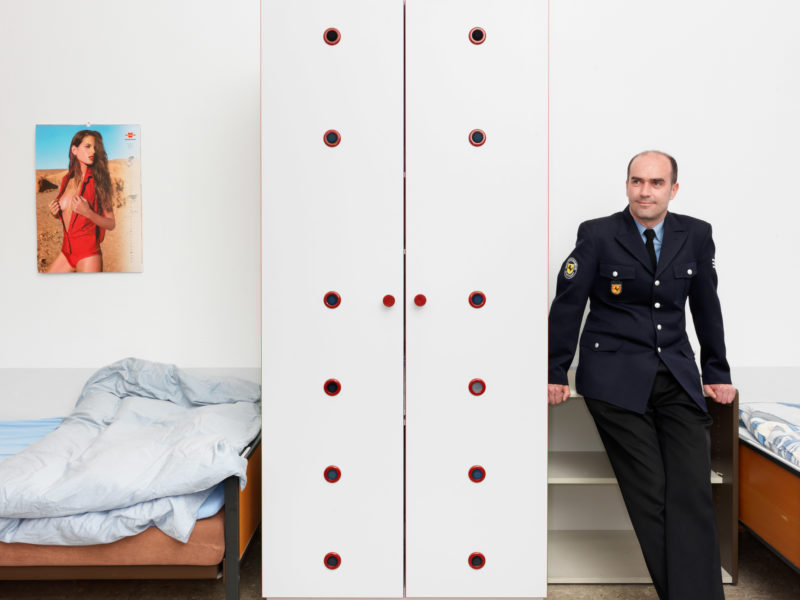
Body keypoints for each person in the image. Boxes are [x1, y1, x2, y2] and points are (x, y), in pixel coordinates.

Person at [548, 150, 736, 600]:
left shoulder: (696, 234)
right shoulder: (597, 235)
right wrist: (555, 371)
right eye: (637, 182)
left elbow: (706, 307)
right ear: (627, 185)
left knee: (691, 490)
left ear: (673, 189)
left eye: (655, 183)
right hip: (614, 377)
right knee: (650, 492)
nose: (644, 191)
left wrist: (716, 370)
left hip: (675, 373)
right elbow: (568, 304)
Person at [47, 130, 115, 272]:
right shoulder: (66, 180)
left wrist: (88, 213)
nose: (93, 151)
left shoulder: (100, 181)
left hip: (88, 255)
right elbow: (69, 217)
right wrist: (55, 213)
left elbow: (111, 223)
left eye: (95, 147)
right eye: (88, 146)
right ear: (74, 150)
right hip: (66, 252)